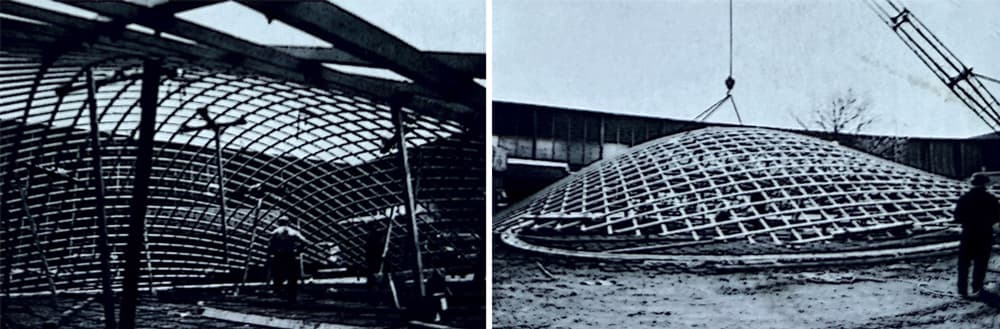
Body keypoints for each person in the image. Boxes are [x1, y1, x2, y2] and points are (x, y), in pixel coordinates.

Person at [953, 174, 1000, 298]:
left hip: (968, 234)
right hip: (984, 234)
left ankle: (962, 290)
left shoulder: (964, 198)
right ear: (985, 184)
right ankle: (977, 288)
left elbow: (957, 217)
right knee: (981, 263)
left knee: (963, 263)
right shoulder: (991, 199)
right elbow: (997, 217)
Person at [269, 216, 309, 303]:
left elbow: (270, 245)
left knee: (278, 276)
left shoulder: (275, 232)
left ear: (278, 222)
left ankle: (280, 292)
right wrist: (298, 251)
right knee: (292, 277)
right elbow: (305, 242)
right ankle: (291, 295)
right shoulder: (293, 232)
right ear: (289, 222)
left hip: (279, 256)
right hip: (290, 255)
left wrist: (271, 254)